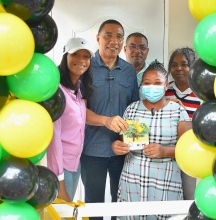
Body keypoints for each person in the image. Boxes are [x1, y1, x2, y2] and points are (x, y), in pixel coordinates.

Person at [112, 61, 192, 220]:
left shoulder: (178, 111)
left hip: (165, 179)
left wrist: (164, 151)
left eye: (157, 83)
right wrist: (116, 146)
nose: (152, 87)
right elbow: (123, 142)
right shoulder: (132, 109)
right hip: (132, 178)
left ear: (166, 85)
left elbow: (188, 151)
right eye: (147, 83)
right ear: (141, 86)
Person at [80, 19, 139, 219]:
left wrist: (129, 142)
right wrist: (106, 120)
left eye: (119, 36)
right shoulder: (86, 66)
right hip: (91, 149)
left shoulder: (129, 71)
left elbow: (134, 110)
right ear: (98, 38)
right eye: (108, 35)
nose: (114, 41)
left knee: (121, 203)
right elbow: (80, 110)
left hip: (122, 151)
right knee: (93, 205)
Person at [47, 37, 94, 202]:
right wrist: (59, 180)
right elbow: (54, 137)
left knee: (67, 213)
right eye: (75, 55)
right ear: (65, 56)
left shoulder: (79, 89)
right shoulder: (56, 90)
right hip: (60, 168)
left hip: (75, 164)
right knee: (60, 212)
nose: (81, 60)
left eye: (86, 56)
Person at [164, 47, 202, 200]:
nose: (178, 68)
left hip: (191, 154)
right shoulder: (164, 91)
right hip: (165, 154)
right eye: (174, 65)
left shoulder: (201, 92)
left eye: (184, 64)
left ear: (192, 66)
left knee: (189, 198)